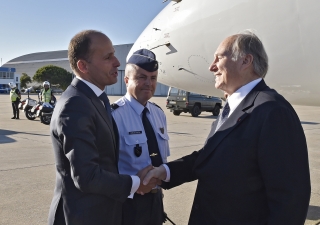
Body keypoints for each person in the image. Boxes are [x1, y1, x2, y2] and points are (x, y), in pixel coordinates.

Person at [143, 31, 311, 224]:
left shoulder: (272, 111)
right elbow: (209, 157)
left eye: (219, 57)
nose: (211, 66)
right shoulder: (233, 106)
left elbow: (289, 200)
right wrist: (165, 171)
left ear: (245, 61)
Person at [48, 30, 158, 225]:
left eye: (114, 54)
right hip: (81, 216)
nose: (117, 62)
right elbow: (87, 176)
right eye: (108, 57)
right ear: (83, 66)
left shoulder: (96, 98)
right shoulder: (75, 104)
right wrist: (136, 183)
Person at [112, 49, 170, 225]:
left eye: (153, 78)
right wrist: (135, 183)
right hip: (127, 204)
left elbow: (163, 158)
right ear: (126, 80)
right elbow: (105, 169)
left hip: (155, 201)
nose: (148, 83)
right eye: (142, 77)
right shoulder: (114, 116)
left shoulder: (159, 114)